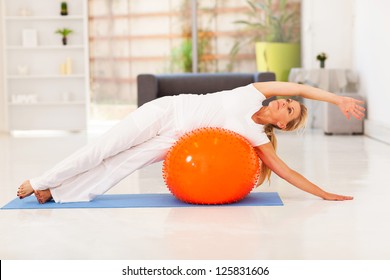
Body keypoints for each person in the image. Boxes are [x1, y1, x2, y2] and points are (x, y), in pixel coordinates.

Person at [17, 81, 365, 204]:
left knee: (121, 166)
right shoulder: (253, 93)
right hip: (167, 112)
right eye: (285, 100)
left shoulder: (256, 136)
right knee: (105, 147)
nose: (283, 103)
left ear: (283, 124)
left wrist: (324, 193)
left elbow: (287, 172)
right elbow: (303, 89)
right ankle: (41, 181)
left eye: (288, 109)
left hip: (177, 139)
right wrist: (338, 100)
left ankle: (57, 192)